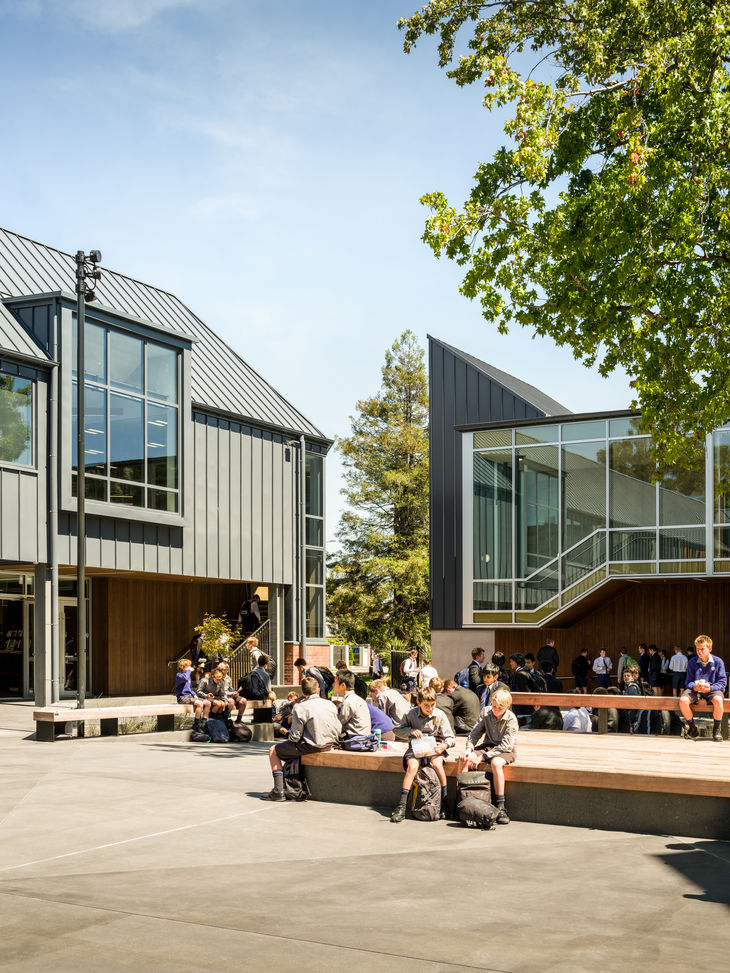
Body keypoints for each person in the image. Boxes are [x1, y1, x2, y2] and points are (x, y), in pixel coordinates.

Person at [261, 676, 340, 801]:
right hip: (330, 743)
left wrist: (285, 732)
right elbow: (338, 727)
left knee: (273, 751)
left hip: (312, 745)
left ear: (303, 692)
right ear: (318, 690)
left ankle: (278, 790)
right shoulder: (330, 704)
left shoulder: (300, 707)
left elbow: (295, 737)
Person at [390, 686, 455, 823]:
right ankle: (401, 806)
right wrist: (410, 731)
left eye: (432, 705)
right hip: (416, 747)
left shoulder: (440, 715)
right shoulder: (411, 714)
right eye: (426, 705)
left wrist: (444, 745)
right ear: (419, 702)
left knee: (438, 765)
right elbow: (397, 730)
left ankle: (444, 802)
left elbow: (451, 737)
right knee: (412, 767)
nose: (430, 708)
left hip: (435, 747)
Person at [458, 687, 517, 825]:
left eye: (500, 708)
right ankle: (461, 801)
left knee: (496, 763)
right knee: (464, 758)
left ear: (507, 706)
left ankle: (501, 805)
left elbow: (506, 745)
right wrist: (469, 748)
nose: (495, 710)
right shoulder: (486, 712)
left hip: (505, 749)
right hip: (488, 746)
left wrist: (483, 757)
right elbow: (475, 733)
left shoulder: (511, 719)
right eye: (494, 707)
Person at [679, 635, 727, 742]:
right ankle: (692, 728)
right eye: (697, 649)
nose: (699, 652)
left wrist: (710, 688)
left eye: (702, 649)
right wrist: (694, 686)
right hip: (696, 689)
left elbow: (722, 682)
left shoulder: (718, 662)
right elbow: (688, 682)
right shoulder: (692, 662)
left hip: (712, 689)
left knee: (719, 700)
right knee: (683, 700)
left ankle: (716, 730)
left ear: (709, 649)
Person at [333, 669, 371, 740]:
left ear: (343, 685)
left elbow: (338, 723)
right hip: (363, 736)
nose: (333, 685)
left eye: (335, 682)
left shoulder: (348, 702)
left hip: (355, 739)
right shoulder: (358, 699)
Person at [174, 658, 211, 727]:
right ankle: (196, 724)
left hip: (190, 696)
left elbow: (190, 688)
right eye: (187, 666)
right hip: (182, 697)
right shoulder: (179, 675)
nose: (189, 667)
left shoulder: (188, 676)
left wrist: (194, 694)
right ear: (182, 667)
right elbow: (185, 678)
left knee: (208, 703)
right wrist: (189, 671)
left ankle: (204, 722)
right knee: (199, 703)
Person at [623, 665, 649, 734]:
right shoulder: (627, 686)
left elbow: (633, 704)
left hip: (634, 715)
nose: (626, 677)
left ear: (632, 677)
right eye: (624, 676)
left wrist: (629, 718)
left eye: (628, 676)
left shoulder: (632, 687)